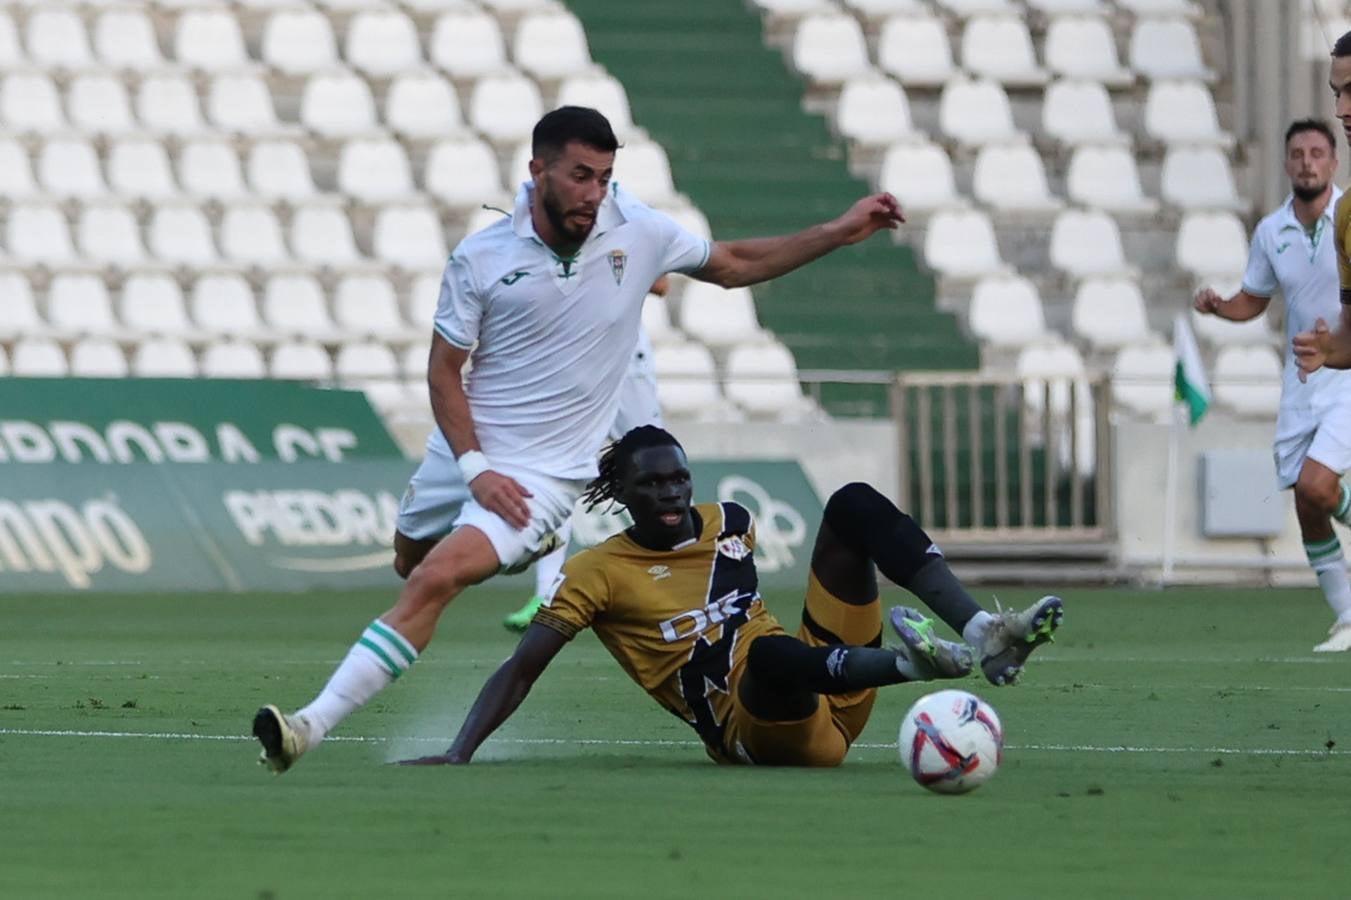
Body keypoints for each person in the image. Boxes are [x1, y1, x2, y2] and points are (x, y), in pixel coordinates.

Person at [252, 106, 910, 773]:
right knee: (407, 559)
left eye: (604, 177)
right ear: (538, 170)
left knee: (431, 580)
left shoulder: (639, 232)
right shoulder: (480, 259)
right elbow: (443, 373)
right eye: (579, 176)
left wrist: (837, 231)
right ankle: (516, 545)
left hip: (544, 475)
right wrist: (474, 467)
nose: (594, 194)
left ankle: (309, 726)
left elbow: (734, 262)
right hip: (467, 451)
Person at [400, 426, 1063, 767]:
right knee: (766, 654)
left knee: (853, 505)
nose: (670, 492)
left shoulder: (732, 522)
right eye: (652, 484)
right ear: (622, 496)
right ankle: (911, 665)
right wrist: (461, 750)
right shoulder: (597, 573)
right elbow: (523, 667)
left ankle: (982, 633)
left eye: (679, 478)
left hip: (831, 682)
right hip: (757, 728)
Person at [1198, 118, 1351, 653]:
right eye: (1297, 153)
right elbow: (1255, 299)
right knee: (1309, 503)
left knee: (1316, 486)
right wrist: (1222, 308)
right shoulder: (1271, 231)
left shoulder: (1350, 218)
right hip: (1301, 382)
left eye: (1317, 152)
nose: (1307, 161)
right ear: (1287, 164)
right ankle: (1349, 616)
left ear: (1334, 162)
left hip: (1347, 375)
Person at [502, 274, 671, 632]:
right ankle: (546, 595)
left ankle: (677, 580)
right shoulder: (558, 233)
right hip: (575, 358)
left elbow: (660, 283)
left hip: (624, 359)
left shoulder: (626, 223)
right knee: (559, 470)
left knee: (656, 468)